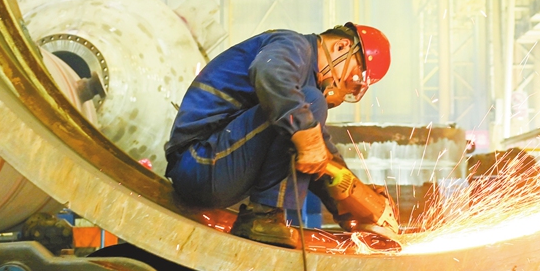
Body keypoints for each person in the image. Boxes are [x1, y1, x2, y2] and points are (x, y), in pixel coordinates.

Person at [164, 23, 391, 247]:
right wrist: (307, 136)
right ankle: (264, 215)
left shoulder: (303, 92)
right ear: (341, 47)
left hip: (216, 168)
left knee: (307, 117)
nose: (349, 88)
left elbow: (321, 156)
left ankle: (265, 215)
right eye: (354, 78)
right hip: (198, 161)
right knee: (310, 106)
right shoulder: (293, 45)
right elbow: (269, 71)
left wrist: (354, 201)